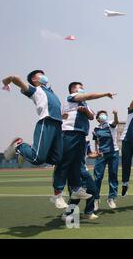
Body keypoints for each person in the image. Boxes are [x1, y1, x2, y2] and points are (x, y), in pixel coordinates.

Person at [2, 71, 64, 202]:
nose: (43, 76)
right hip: (46, 122)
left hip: (58, 125)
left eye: (44, 74)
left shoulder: (51, 93)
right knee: (37, 159)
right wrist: (7, 81)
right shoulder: (35, 90)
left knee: (60, 160)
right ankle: (19, 145)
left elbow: (54, 107)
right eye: (39, 75)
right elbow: (16, 77)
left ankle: (58, 194)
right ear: (34, 80)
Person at [52, 81, 115, 209]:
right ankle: (58, 194)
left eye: (83, 88)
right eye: (79, 88)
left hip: (81, 135)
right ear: (73, 91)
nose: (82, 90)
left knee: (76, 163)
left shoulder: (85, 104)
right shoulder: (70, 98)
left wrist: (85, 110)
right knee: (65, 163)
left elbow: (92, 116)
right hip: (69, 133)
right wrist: (105, 94)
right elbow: (89, 96)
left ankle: (76, 189)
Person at [62, 142, 101, 221]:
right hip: (73, 169)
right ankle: (68, 214)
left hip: (83, 168)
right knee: (76, 194)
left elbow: (89, 153)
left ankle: (88, 213)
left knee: (92, 190)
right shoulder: (71, 136)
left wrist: (97, 155)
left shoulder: (85, 139)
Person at [92, 110, 120, 210]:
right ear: (98, 118)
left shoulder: (110, 124)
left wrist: (115, 114)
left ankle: (111, 198)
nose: (104, 116)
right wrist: (96, 151)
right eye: (101, 115)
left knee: (113, 175)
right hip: (101, 154)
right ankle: (95, 199)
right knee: (98, 177)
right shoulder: (95, 129)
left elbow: (116, 122)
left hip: (114, 152)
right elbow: (96, 141)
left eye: (105, 114)